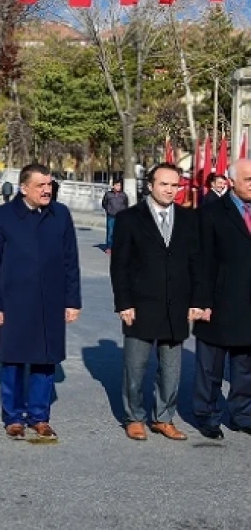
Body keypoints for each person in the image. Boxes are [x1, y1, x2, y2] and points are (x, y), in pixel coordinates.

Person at [0, 163, 81, 440]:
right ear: (24, 188)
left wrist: (72, 301)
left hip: (50, 300)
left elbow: (70, 261)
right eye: (40, 185)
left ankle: (39, 416)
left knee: (44, 360)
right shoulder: (1, 217)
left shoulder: (60, 215)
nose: (46, 190)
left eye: (49, 184)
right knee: (13, 360)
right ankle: (13, 417)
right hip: (14, 302)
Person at [110, 163, 206, 442]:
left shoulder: (189, 219)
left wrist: (197, 300)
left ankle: (164, 418)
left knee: (172, 368)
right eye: (164, 184)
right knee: (135, 367)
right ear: (150, 186)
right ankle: (134, 417)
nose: (169, 190)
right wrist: (124, 303)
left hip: (177, 304)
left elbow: (196, 263)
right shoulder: (129, 218)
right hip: (140, 304)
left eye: (174, 185)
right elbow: (120, 266)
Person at [195, 158, 251, 439]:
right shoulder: (212, 212)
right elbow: (202, 261)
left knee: (245, 366)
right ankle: (207, 414)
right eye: (248, 180)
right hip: (217, 302)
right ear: (231, 182)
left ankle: (242, 414)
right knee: (211, 367)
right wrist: (201, 301)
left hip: (247, 304)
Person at [101, 180, 129, 251]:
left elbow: (126, 204)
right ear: (113, 186)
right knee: (110, 232)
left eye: (119, 185)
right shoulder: (108, 194)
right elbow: (104, 203)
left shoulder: (123, 195)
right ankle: (109, 247)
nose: (118, 187)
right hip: (111, 216)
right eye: (117, 185)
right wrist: (108, 210)